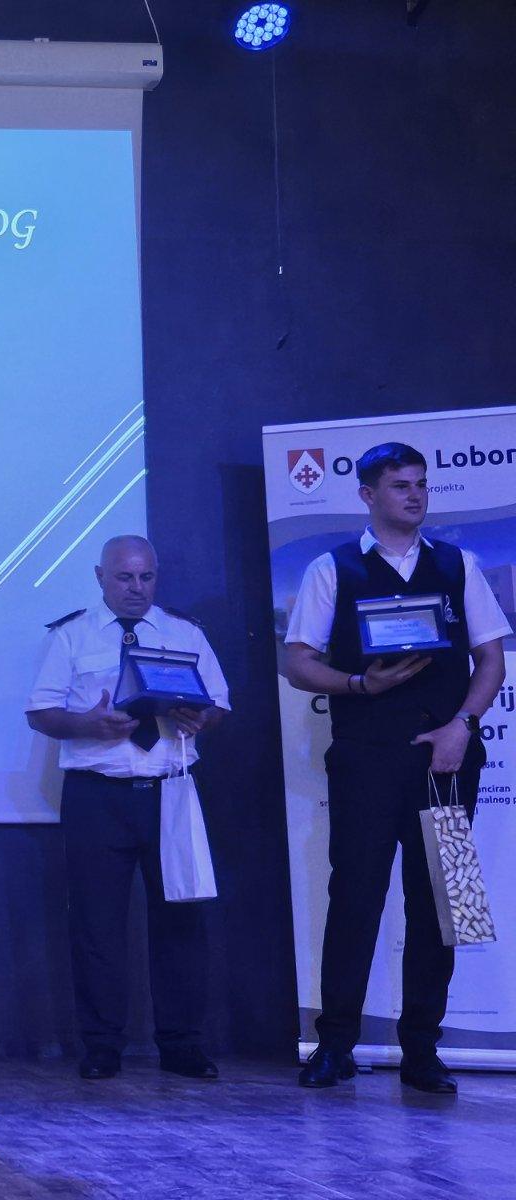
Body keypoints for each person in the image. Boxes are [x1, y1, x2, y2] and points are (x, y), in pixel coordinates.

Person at [284, 441, 508, 1095]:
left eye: (420, 484)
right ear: (368, 495)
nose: (415, 495)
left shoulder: (458, 564)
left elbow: (492, 659)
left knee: (444, 903)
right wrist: (359, 684)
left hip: (449, 759)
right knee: (355, 898)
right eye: (401, 485)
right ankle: (335, 1046)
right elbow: (297, 662)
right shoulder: (333, 568)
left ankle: (423, 1051)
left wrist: (462, 726)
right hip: (366, 760)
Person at [25, 535, 230, 1082]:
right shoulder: (71, 635)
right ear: (100, 577)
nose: (137, 588)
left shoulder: (185, 633)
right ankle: (101, 1046)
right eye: (124, 578)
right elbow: (41, 713)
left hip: (170, 790)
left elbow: (220, 704)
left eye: (146, 577)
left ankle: (182, 1044)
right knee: (96, 925)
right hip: (98, 794)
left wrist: (200, 717)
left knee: (181, 920)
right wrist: (86, 725)